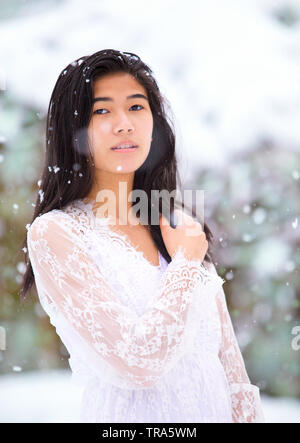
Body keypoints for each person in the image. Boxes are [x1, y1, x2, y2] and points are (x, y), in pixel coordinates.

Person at [20, 49, 265, 423]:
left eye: (136, 107)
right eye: (102, 110)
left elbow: (232, 373)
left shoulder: (176, 222)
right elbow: (138, 361)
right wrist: (184, 263)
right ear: (74, 131)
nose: (124, 124)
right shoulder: (56, 233)